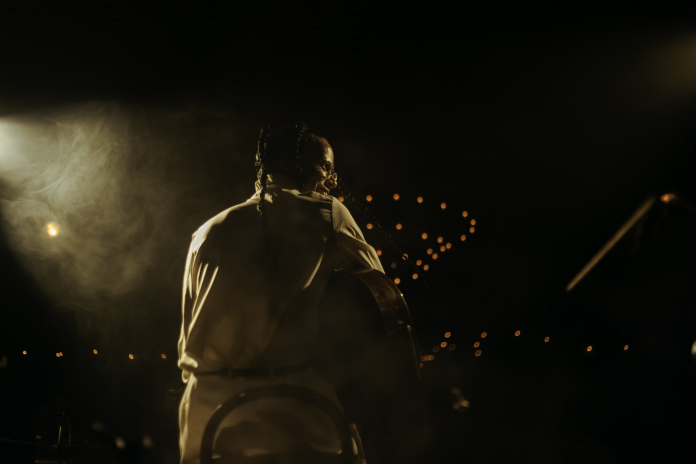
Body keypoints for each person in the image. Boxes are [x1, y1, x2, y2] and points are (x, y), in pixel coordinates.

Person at [177, 123, 384, 464]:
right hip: (290, 400)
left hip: (203, 404)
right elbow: (381, 293)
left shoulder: (206, 230)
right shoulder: (327, 212)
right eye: (326, 167)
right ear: (297, 164)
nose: (332, 181)